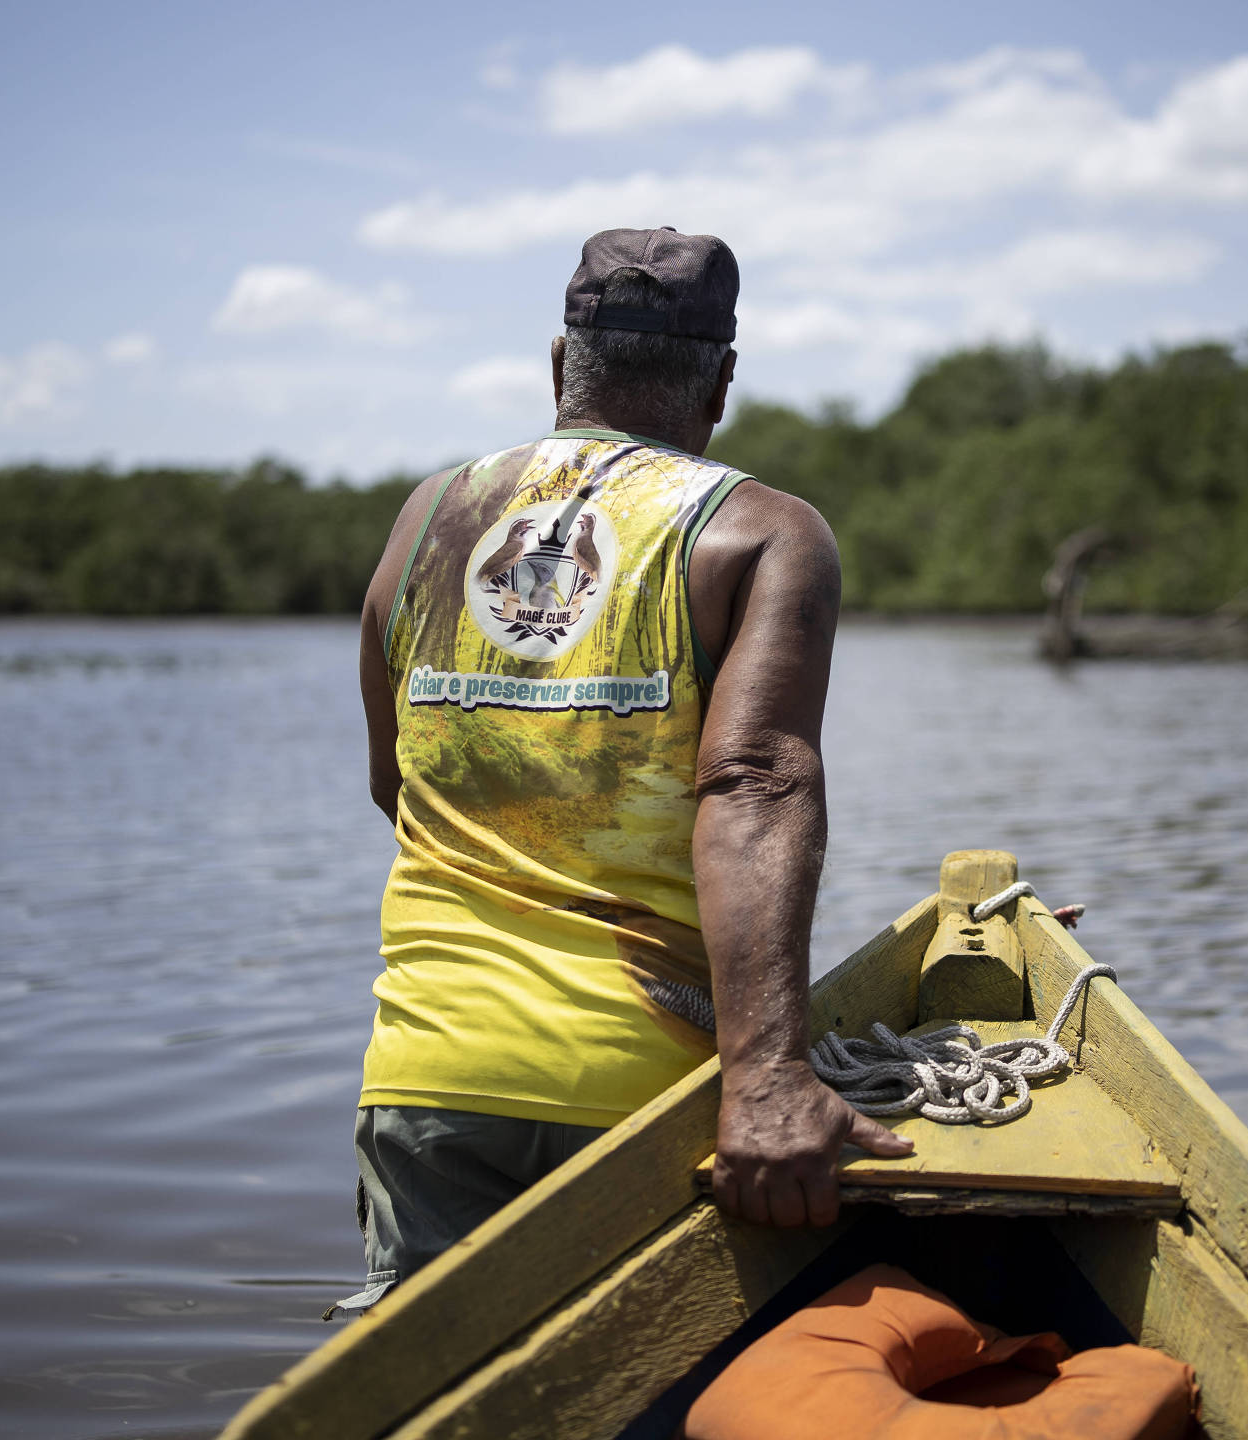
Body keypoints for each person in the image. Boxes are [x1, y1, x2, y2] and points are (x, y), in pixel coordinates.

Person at [335, 227, 911, 1318]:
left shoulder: (429, 519)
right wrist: (770, 1076)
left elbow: (396, 787)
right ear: (722, 383)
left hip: (430, 1075)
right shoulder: (759, 532)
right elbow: (754, 784)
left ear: (562, 364)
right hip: (639, 1092)